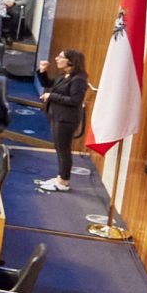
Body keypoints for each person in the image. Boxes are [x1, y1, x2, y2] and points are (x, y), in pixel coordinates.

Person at [38, 49, 90, 191]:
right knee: (59, 148)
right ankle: (60, 176)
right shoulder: (65, 76)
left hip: (66, 119)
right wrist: (42, 71)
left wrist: (51, 96)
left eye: (60, 57)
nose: (56, 59)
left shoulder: (78, 80)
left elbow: (75, 100)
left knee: (63, 150)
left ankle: (64, 182)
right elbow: (48, 83)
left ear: (71, 61)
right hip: (57, 116)